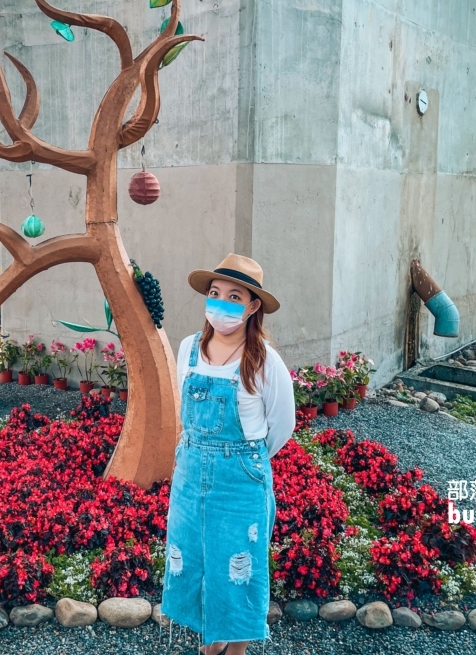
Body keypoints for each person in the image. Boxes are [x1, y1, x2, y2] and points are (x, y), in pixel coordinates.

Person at [161, 253, 296, 655]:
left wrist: (240, 458)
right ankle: (211, 636)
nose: (220, 303)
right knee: (195, 559)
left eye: (233, 296)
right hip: (188, 474)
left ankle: (233, 648)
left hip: (239, 480)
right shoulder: (188, 348)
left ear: (252, 306)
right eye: (215, 293)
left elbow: (282, 426)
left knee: (237, 567)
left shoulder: (265, 361)